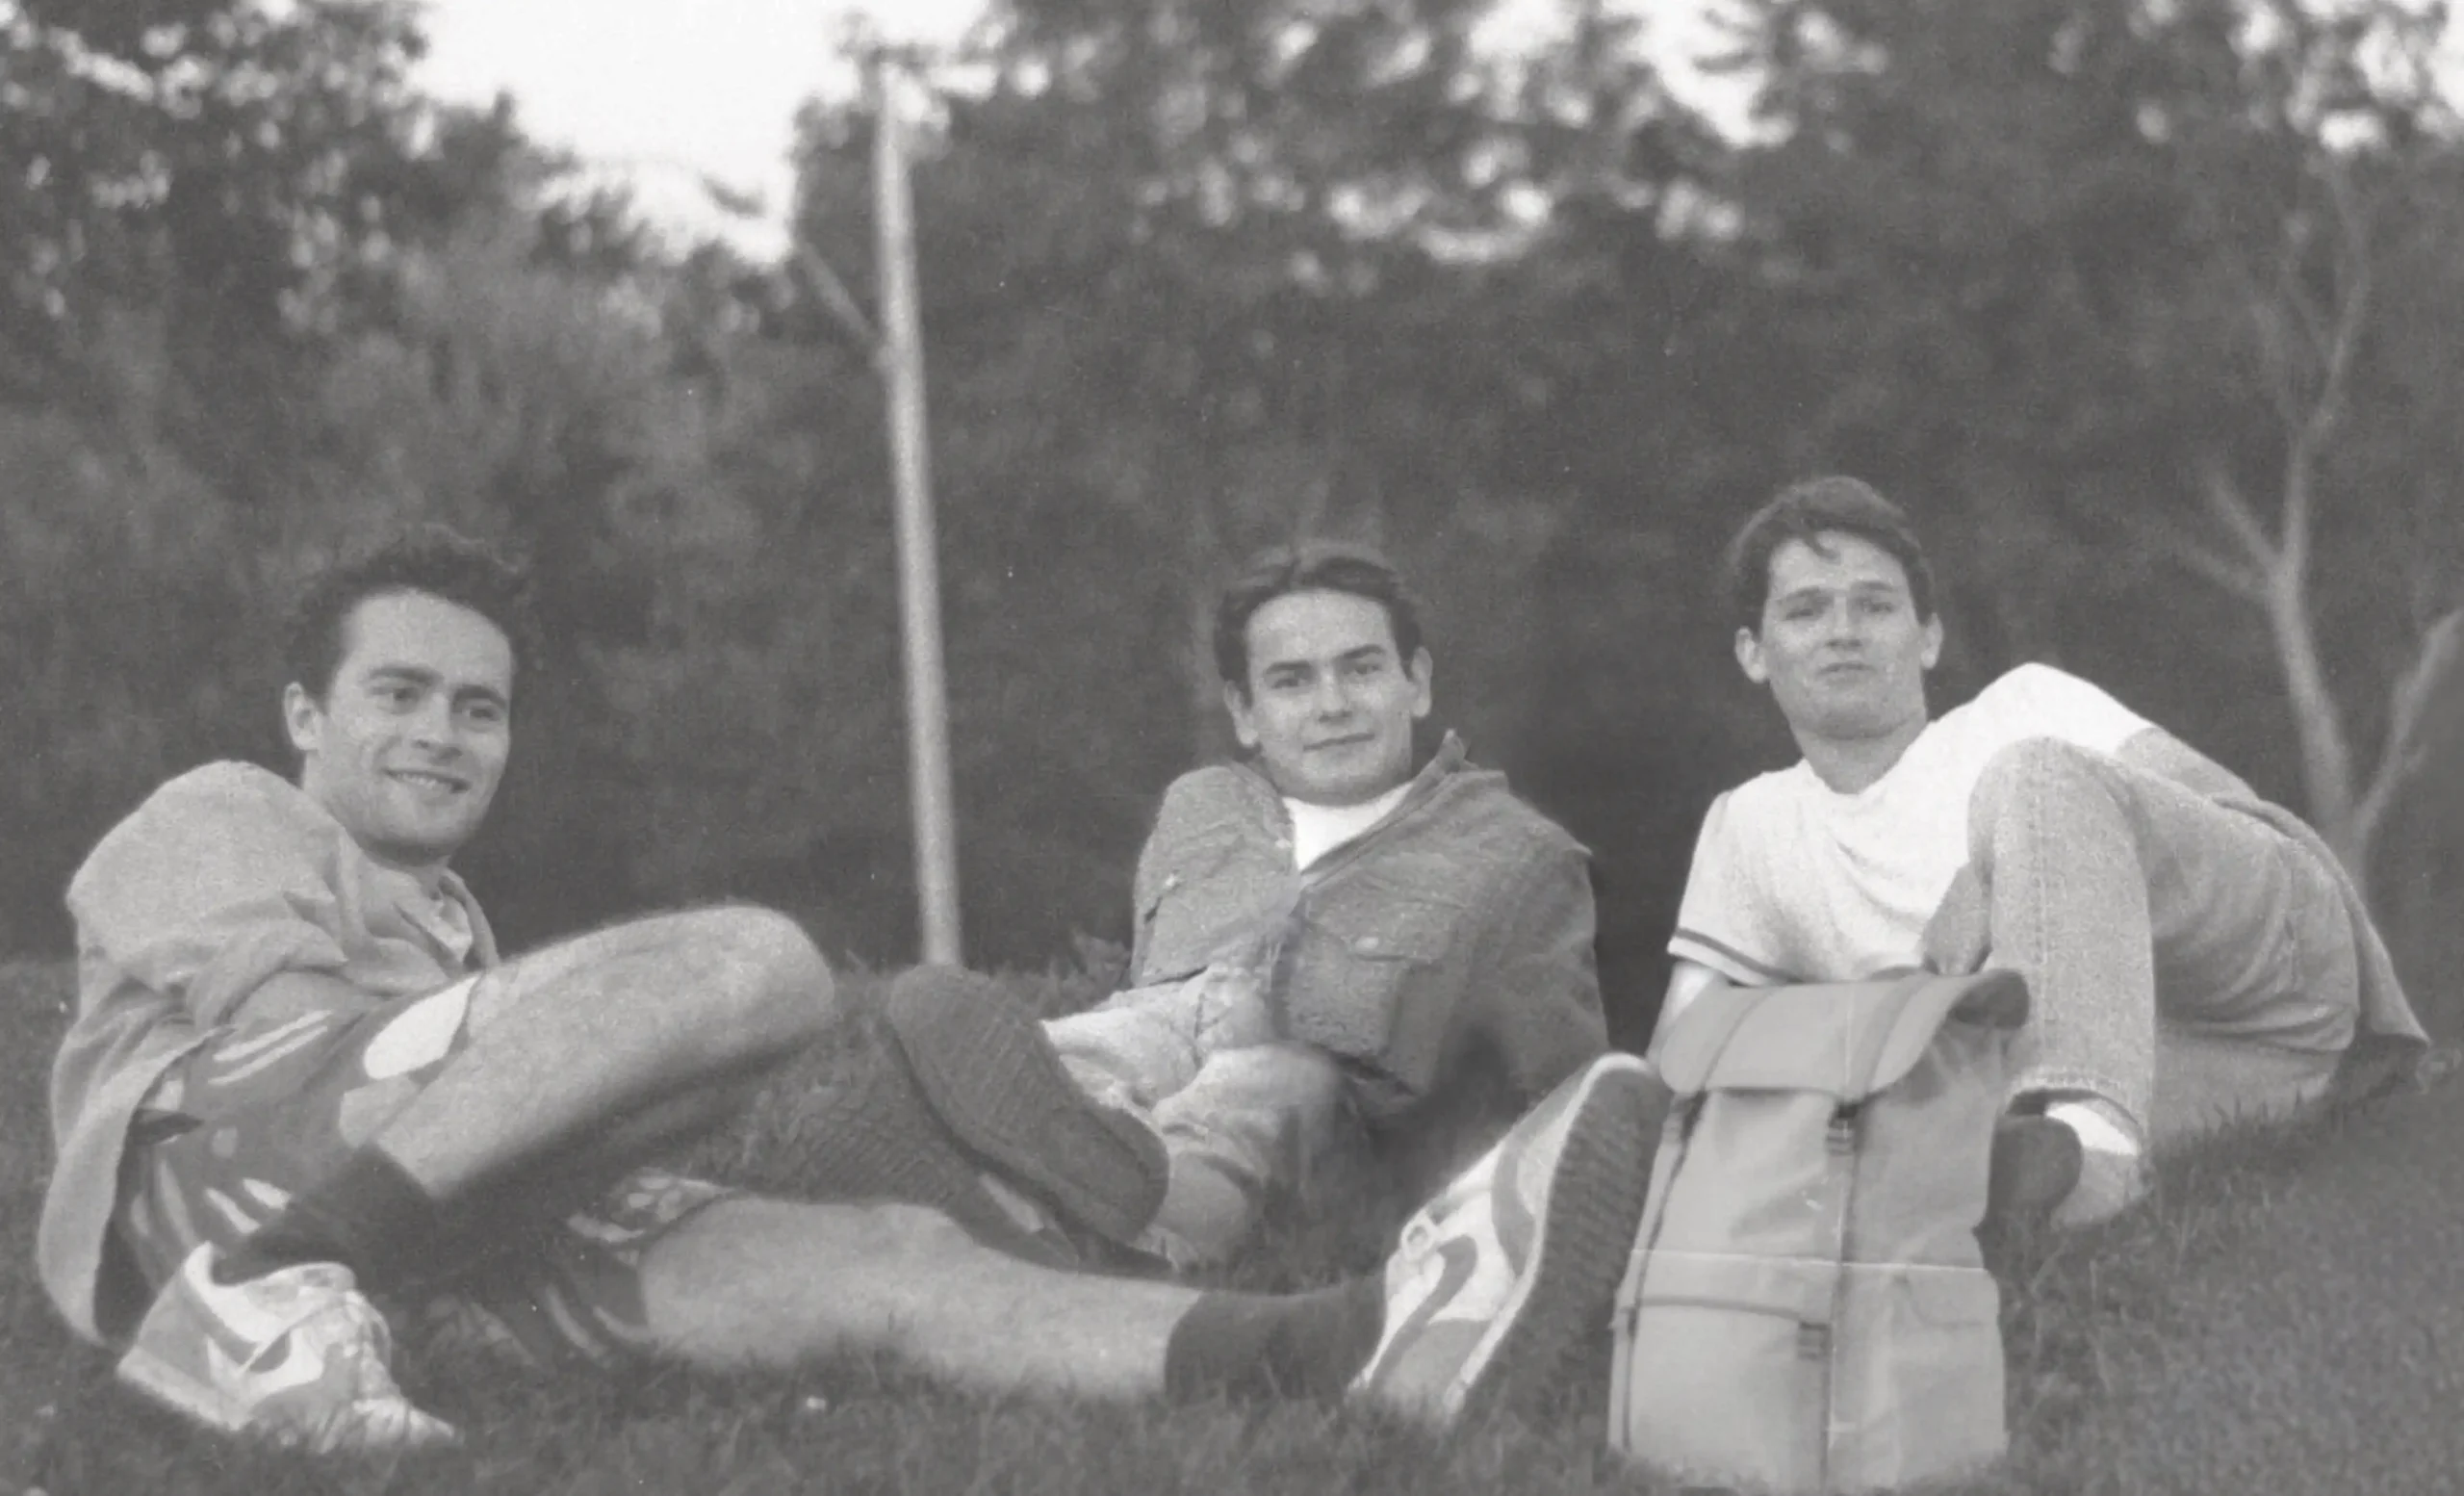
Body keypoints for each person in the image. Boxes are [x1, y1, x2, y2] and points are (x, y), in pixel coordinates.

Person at [40, 525, 1660, 1454]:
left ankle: (1347, 1338)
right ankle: (267, 1287)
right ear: (300, 714)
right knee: (753, 962)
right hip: (245, 1191)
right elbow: (261, 1043)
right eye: (399, 692)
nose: (444, 732)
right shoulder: (225, 808)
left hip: (434, 1253)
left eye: (480, 706)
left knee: (888, 1256)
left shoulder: (452, 918)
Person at [1655, 476, 2428, 1229]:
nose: (1844, 629)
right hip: (2180, 1072)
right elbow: (1685, 1048)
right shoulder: (1754, 827)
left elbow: (2232, 831)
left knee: (2034, 775)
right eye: (1806, 609)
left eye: (1876, 605)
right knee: (1924, 1112)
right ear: (1754, 652)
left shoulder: (2026, 707)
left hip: (2271, 984)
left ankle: (2093, 1164)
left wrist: (1979, 908)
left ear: (1927, 640)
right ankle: (2065, 1149)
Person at [878, 540, 1609, 1270]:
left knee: (1268, 1074)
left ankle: (1122, 1212)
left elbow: (1558, 1098)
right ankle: (1007, 1191)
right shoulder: (1200, 808)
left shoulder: (1517, 853)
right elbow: (1157, 996)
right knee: (1110, 1040)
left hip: (1346, 1124)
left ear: (1415, 682)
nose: (1333, 706)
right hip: (1164, 1052)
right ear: (1245, 711)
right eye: (1292, 682)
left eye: (1361, 669)